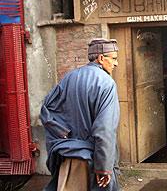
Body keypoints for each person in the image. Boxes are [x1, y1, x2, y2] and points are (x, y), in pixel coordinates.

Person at [40, 38, 120, 190]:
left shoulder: (69, 77)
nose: (116, 63)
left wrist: (62, 132)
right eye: (114, 58)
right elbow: (104, 130)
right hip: (90, 160)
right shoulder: (106, 83)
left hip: (66, 159)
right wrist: (104, 168)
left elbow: (46, 110)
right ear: (101, 58)